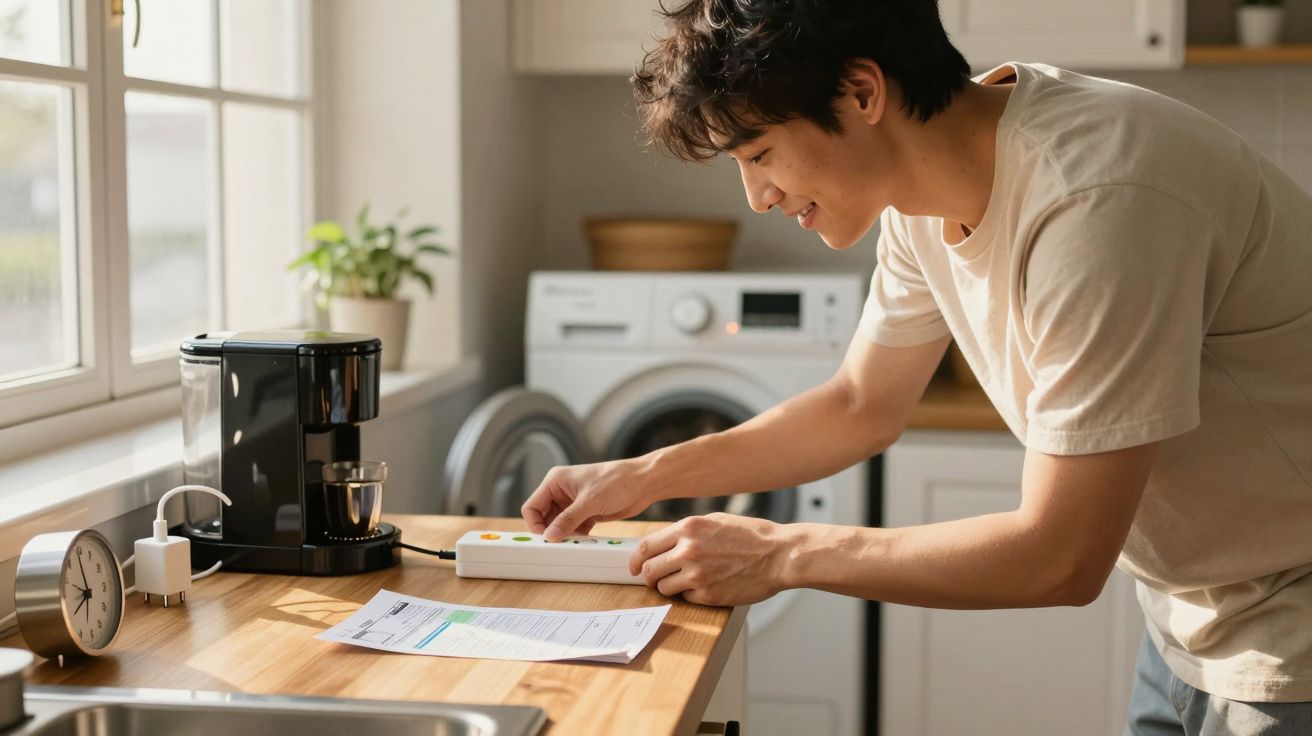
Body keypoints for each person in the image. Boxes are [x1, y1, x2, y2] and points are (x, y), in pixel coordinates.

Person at [518, 1, 1312, 732]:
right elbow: (860, 404)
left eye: (759, 153)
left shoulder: (1098, 197)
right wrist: (642, 475)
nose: (756, 196)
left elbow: (1061, 556)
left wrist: (780, 554)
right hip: (1191, 617)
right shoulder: (921, 197)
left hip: (1291, 624)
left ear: (863, 92)